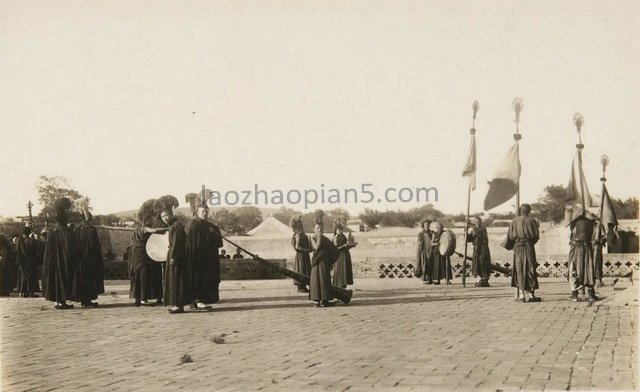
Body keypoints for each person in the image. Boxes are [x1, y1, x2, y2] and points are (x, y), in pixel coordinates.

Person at [42, 198, 77, 309]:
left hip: (53, 259)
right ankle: (61, 301)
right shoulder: (65, 231)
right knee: (63, 277)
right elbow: (69, 248)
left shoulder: (52, 231)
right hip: (62, 259)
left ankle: (57, 300)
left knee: (55, 277)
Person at [186, 202, 223, 309]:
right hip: (196, 258)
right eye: (203, 211)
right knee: (196, 278)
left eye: (206, 211)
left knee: (205, 279)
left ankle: (200, 300)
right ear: (197, 212)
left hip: (207, 259)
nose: (205, 213)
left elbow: (217, 244)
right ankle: (196, 301)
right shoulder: (193, 225)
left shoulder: (211, 226)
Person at [129, 199, 166, 307]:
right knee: (143, 276)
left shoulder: (137, 227)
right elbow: (154, 231)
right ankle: (143, 300)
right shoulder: (143, 227)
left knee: (141, 276)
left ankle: (139, 299)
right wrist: (168, 228)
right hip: (141, 256)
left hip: (138, 255)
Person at [504, 204, 540, 302]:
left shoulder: (515, 220)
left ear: (521, 210)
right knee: (530, 268)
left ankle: (521, 295)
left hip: (518, 247)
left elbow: (510, 236)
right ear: (529, 211)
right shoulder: (532, 220)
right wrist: (529, 243)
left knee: (519, 268)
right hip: (528, 247)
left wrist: (512, 245)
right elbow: (536, 236)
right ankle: (532, 295)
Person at [73, 198, 105, 307]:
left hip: (79, 259)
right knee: (89, 279)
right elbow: (94, 246)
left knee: (82, 278)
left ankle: (84, 299)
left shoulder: (76, 229)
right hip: (89, 259)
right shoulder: (91, 229)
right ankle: (87, 300)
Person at [161, 208, 189, 314]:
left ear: (171, 215)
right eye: (162, 217)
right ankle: (177, 304)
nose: (165, 218)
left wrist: (174, 257)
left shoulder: (176, 226)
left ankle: (178, 305)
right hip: (173, 254)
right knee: (174, 280)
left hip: (177, 256)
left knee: (177, 280)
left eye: (166, 215)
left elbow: (177, 243)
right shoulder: (173, 226)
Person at [309, 211, 340, 307]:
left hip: (324, 262)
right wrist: (319, 237)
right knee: (315, 280)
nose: (319, 230)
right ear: (314, 229)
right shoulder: (313, 237)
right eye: (317, 228)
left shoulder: (325, 239)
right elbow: (316, 247)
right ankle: (316, 300)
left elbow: (334, 249)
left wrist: (331, 260)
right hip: (316, 262)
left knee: (324, 279)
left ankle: (325, 300)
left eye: (321, 228)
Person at [568, 213, 598, 302]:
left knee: (573, 269)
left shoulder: (575, 223)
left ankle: (575, 294)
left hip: (577, 248)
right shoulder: (593, 224)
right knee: (588, 269)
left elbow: (571, 237)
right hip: (586, 248)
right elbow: (595, 239)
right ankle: (590, 294)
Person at [15, 226, 41, 297]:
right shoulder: (30, 241)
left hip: (21, 261)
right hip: (29, 260)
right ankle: (29, 292)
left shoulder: (18, 240)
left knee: (23, 276)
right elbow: (35, 250)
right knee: (30, 276)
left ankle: (22, 292)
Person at [467, 217, 492, 287]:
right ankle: (480, 279)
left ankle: (484, 279)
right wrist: (467, 233)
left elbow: (479, 232)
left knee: (482, 262)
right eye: (475, 221)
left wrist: (471, 226)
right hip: (476, 248)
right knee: (477, 262)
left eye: (478, 221)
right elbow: (469, 239)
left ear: (480, 222)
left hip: (483, 248)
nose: (477, 222)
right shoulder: (474, 230)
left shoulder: (482, 229)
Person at [290, 215, 311, 293]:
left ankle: (303, 286)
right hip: (301, 256)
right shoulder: (298, 235)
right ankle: (300, 287)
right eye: (301, 226)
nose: (302, 227)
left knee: (304, 270)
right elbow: (297, 246)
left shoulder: (302, 234)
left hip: (304, 255)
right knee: (301, 270)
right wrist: (306, 250)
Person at [332, 222, 354, 289]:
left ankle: (344, 286)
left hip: (345, 255)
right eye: (339, 230)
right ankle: (339, 285)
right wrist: (343, 246)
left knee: (345, 270)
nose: (340, 231)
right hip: (339, 256)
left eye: (341, 230)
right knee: (340, 270)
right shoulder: (335, 238)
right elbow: (335, 248)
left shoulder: (343, 236)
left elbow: (346, 245)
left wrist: (351, 245)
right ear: (336, 230)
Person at [414, 219, 433, 284]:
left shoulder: (432, 233)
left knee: (432, 264)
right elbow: (419, 243)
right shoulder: (421, 234)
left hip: (432, 251)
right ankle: (425, 279)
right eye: (426, 225)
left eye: (428, 225)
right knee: (425, 264)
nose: (427, 226)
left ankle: (431, 279)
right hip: (424, 251)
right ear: (423, 226)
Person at [0, 228, 17, 296]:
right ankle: (4, 290)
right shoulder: (3, 237)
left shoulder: (2, 237)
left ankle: (3, 290)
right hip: (4, 261)